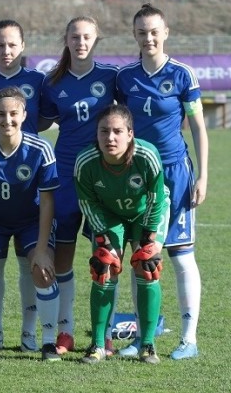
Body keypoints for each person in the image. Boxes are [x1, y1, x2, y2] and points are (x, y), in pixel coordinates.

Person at [116, 3, 208, 360]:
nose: (149, 38)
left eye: (154, 31)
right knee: (141, 256)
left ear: (165, 32)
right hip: (138, 176)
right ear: (134, 35)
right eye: (142, 32)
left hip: (175, 174)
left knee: (181, 256)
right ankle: (143, 335)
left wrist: (203, 176)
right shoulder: (125, 78)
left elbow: (198, 128)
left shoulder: (183, 75)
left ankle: (189, 339)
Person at [39, 16, 118, 356]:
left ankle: (105, 334)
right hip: (65, 174)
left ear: (96, 39)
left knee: (106, 255)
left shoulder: (112, 77)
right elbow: (36, 121)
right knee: (64, 256)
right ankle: (65, 330)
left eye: (87, 37)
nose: (81, 42)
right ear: (66, 40)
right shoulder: (52, 81)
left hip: (102, 175)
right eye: (75, 37)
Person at [0, 87, 61, 362]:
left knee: (42, 271)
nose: (7, 120)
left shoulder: (41, 148)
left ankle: (47, 342)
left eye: (13, 113)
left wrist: (42, 249)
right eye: (0, 114)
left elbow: (48, 203)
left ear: (24, 115)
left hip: (31, 222)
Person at [0, 19, 48, 353]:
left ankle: (31, 334)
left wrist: (24, 137)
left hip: (27, 178)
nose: (6, 51)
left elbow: (46, 116)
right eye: (0, 45)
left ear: (23, 46)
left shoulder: (38, 80)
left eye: (12, 44)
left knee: (32, 265)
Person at [75, 104, 168, 365]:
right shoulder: (86, 162)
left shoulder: (147, 155)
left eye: (117, 131)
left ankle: (147, 344)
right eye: (104, 131)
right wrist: (105, 242)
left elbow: (156, 200)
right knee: (103, 267)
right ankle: (98, 345)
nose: (110, 137)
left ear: (130, 134)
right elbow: (88, 204)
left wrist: (148, 240)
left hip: (146, 213)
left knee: (147, 266)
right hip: (109, 215)